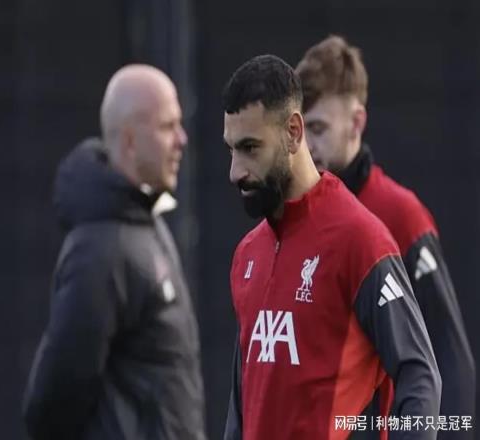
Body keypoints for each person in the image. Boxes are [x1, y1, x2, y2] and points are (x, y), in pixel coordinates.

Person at [222, 54, 441, 440]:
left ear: (293, 132)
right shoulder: (247, 255)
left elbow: (420, 375)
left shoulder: (360, 239)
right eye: (231, 149)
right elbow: (242, 406)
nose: (235, 171)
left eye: (250, 148)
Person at [295, 35, 475, 436]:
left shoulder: (399, 214)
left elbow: (448, 358)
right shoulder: (295, 218)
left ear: (356, 123)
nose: (307, 146)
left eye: (319, 128)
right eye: (301, 130)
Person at [23, 65, 207, 440]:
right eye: (167, 127)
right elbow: (53, 402)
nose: (182, 139)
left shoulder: (144, 222)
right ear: (130, 141)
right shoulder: (100, 251)